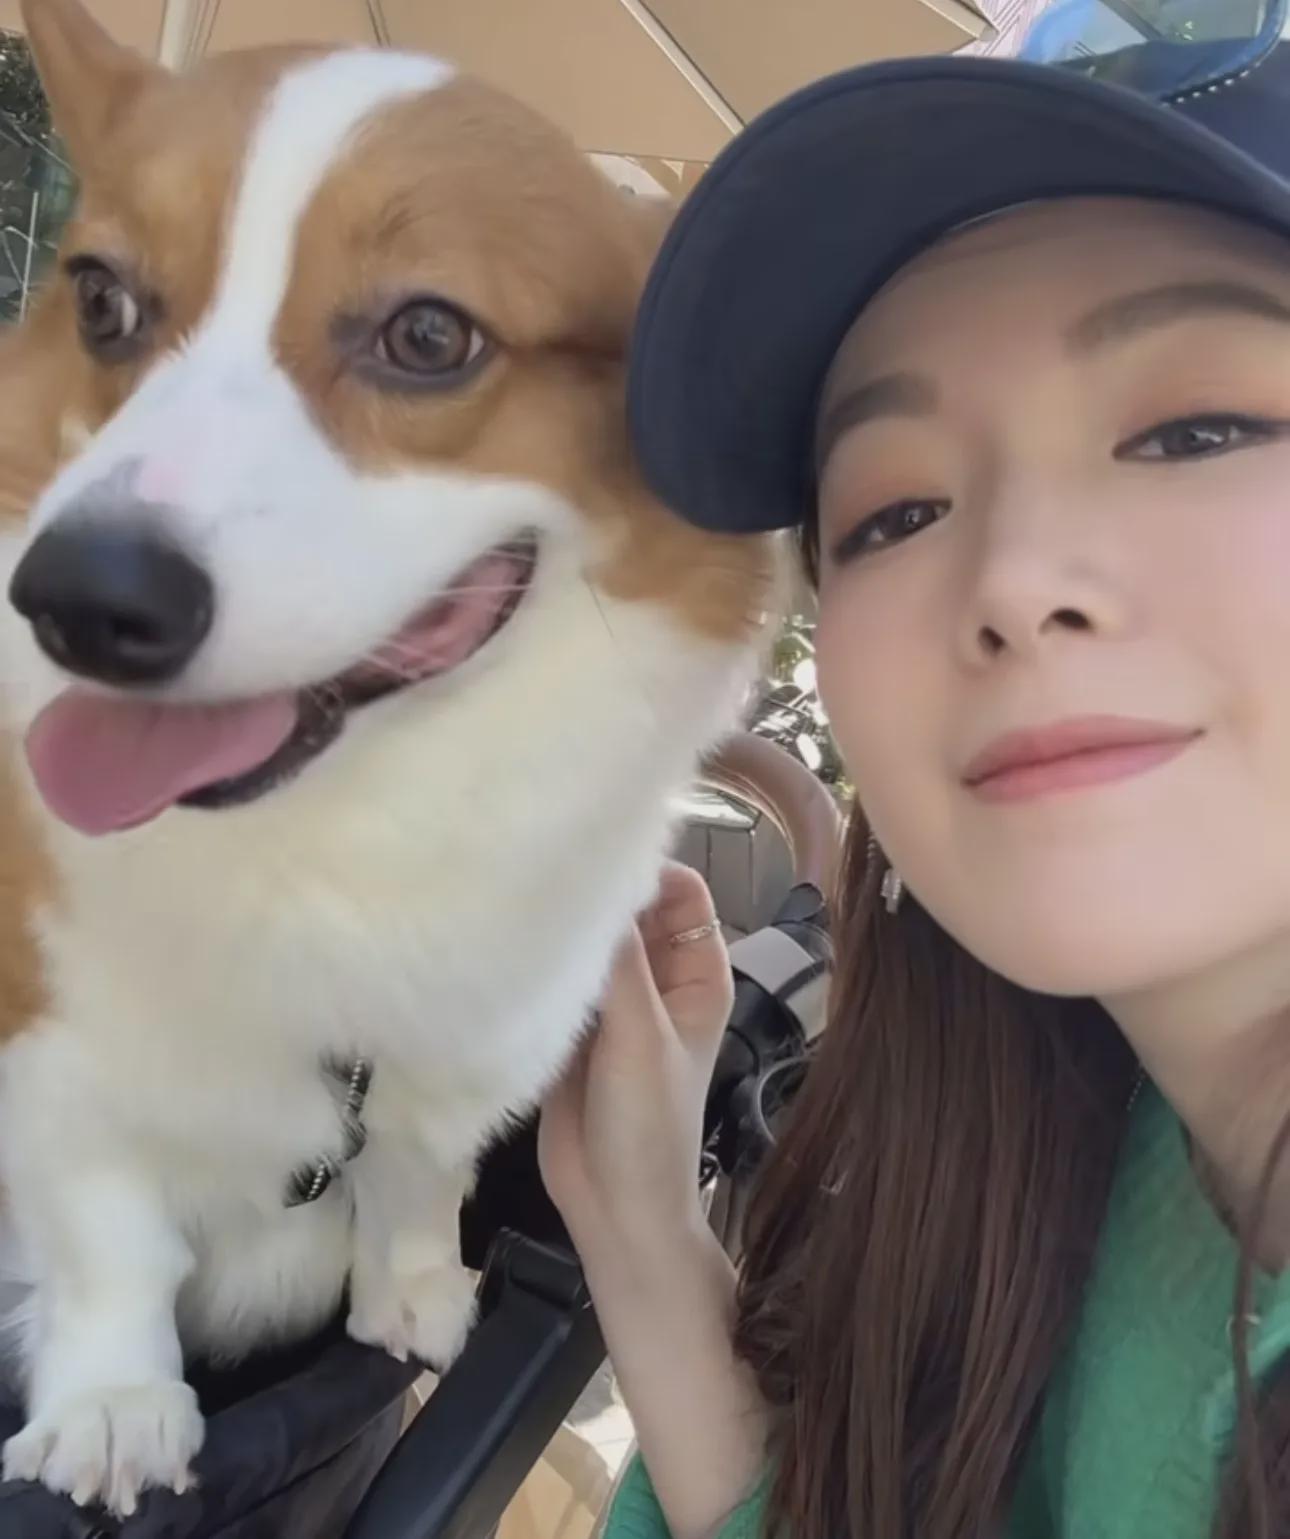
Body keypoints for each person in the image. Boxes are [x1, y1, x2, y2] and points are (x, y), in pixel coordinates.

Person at [537, 3, 1290, 1537]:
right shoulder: (1034, 1154)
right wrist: (639, 1224)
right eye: (890, 513)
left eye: (1193, 428)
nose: (1009, 578)